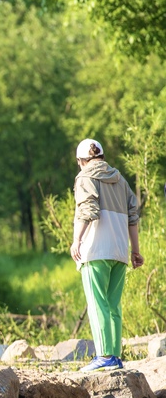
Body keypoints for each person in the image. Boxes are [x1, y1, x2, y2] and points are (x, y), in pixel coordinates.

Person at [70, 138, 143, 371]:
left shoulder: (84, 177)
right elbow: (133, 215)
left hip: (95, 249)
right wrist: (136, 250)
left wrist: (76, 240)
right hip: (120, 251)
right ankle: (115, 356)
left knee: (97, 304)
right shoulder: (120, 180)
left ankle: (103, 356)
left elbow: (87, 209)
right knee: (113, 305)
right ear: (101, 156)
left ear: (81, 161)